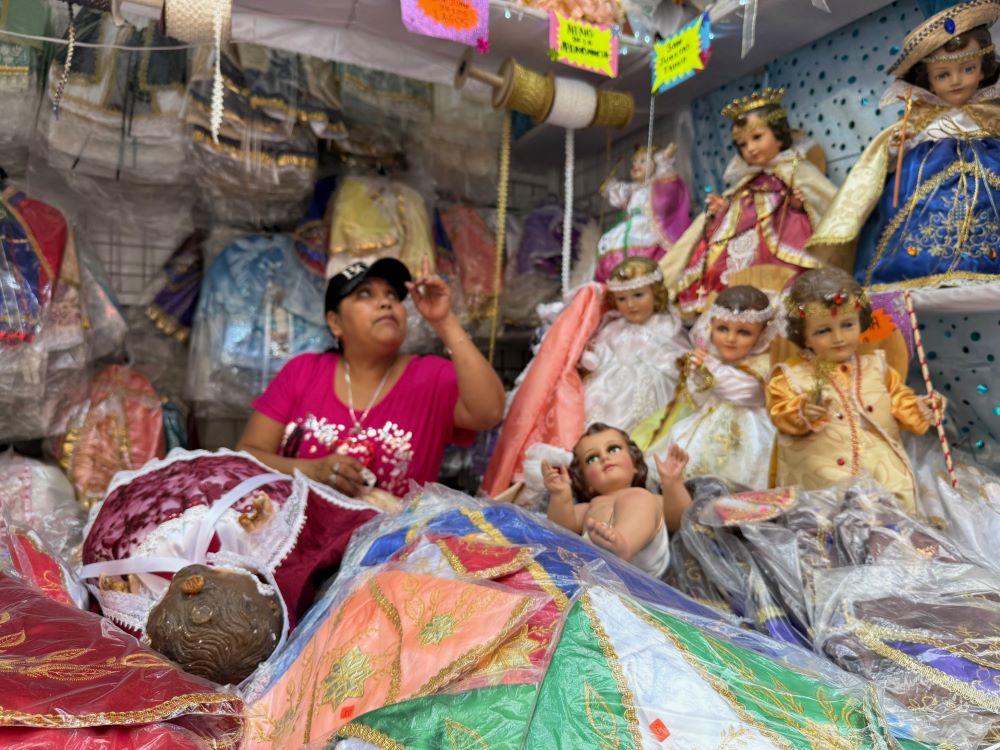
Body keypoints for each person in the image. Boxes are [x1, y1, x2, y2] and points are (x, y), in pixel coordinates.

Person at [237, 256, 505, 499]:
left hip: (397, 538)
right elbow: (246, 457)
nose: (386, 302)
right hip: (295, 532)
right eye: (365, 294)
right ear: (335, 323)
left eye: (393, 295)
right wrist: (312, 471)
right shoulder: (303, 371)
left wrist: (444, 320)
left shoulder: (431, 376)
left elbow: (489, 412)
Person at [807, 0, 1000, 289]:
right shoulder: (921, 118)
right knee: (920, 215)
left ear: (983, 70)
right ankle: (926, 267)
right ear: (929, 81)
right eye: (943, 75)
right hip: (927, 178)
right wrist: (896, 145)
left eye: (968, 68)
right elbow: (888, 155)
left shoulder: (991, 114)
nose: (956, 81)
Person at [482, 257, 688, 497]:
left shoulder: (667, 327)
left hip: (646, 395)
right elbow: (599, 353)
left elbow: (675, 359)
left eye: (638, 295)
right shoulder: (612, 327)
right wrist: (591, 357)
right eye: (622, 299)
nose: (630, 305)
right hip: (605, 390)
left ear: (656, 293)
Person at [767, 268, 943, 514]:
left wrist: (921, 408)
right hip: (818, 479)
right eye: (823, 330)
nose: (838, 337)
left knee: (893, 512)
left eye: (847, 325)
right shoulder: (790, 376)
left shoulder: (878, 368)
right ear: (804, 336)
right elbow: (779, 412)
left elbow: (901, 403)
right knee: (821, 519)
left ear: (860, 323)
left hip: (881, 474)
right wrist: (801, 412)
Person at [662, 88, 837, 318]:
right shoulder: (745, 181)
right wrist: (722, 209)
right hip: (738, 239)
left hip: (783, 234)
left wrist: (800, 204)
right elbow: (734, 210)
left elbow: (827, 202)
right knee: (716, 266)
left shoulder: (797, 169)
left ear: (779, 135)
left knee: (784, 274)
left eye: (757, 138)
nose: (751, 149)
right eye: (743, 145)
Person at [634, 285, 778, 490]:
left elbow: (747, 393)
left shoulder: (761, 365)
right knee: (680, 439)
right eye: (722, 329)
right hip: (707, 420)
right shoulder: (711, 358)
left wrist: (709, 367)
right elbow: (695, 398)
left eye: (744, 332)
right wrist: (696, 373)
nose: (730, 338)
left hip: (750, 427)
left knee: (752, 463)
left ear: (762, 334)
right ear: (711, 326)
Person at [541, 423, 692, 578]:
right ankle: (611, 549)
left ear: (635, 465)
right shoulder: (589, 507)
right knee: (599, 514)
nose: (604, 457)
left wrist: (672, 483)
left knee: (638, 496)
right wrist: (560, 494)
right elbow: (559, 531)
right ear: (586, 483)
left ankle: (622, 545)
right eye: (592, 458)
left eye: (613, 449)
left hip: (645, 573)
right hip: (598, 574)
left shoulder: (651, 499)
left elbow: (682, 520)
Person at [594, 143, 691, 283]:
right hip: (629, 226)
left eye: (642, 161)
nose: (636, 165)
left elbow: (666, 179)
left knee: (642, 248)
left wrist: (664, 159)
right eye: (634, 161)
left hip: (647, 227)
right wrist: (610, 188)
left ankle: (642, 276)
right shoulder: (632, 188)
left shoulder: (657, 185)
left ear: (654, 165)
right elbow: (618, 198)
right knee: (613, 243)